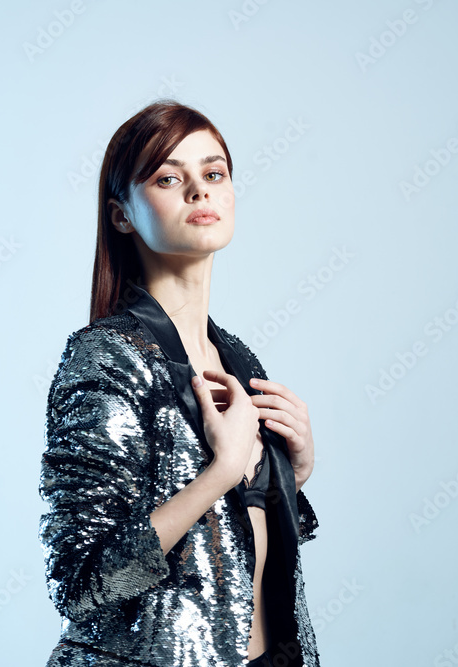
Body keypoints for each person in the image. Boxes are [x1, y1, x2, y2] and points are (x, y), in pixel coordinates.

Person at [39, 100, 320, 666]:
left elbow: (229, 549)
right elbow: (83, 584)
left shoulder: (237, 357)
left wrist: (292, 476)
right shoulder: (106, 358)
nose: (199, 191)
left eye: (214, 174)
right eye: (169, 178)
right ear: (122, 215)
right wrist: (222, 471)